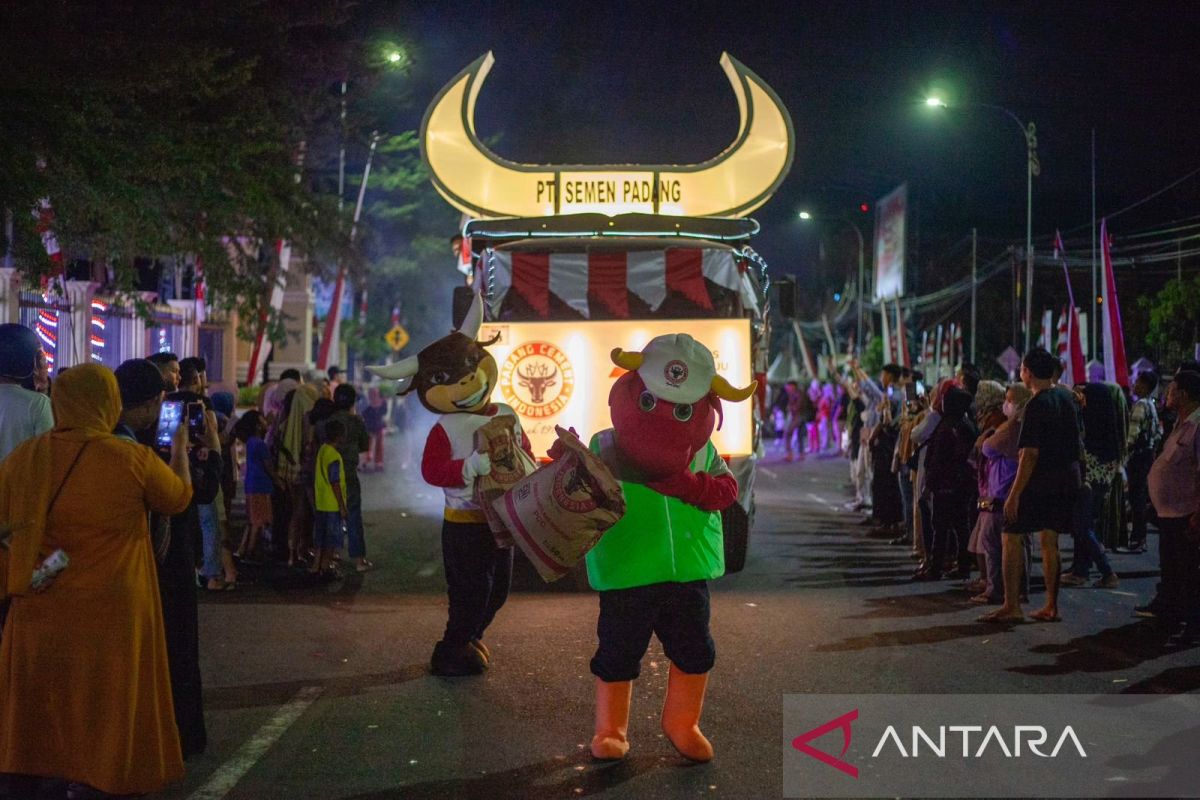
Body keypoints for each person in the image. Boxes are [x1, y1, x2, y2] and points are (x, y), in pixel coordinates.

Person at [0, 364, 193, 798]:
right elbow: (179, 498)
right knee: (104, 711)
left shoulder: (24, 458)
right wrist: (179, 449)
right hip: (109, 615)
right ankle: (97, 778)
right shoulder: (130, 459)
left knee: (47, 711)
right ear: (109, 403)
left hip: (40, 607)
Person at [983, 348, 1083, 623]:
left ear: (1027, 372)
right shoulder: (1065, 397)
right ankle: (1051, 605)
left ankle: (1011, 604)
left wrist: (1014, 495)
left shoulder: (1036, 405)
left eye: (1022, 369)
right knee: (1050, 541)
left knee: (1011, 534)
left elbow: (1029, 454)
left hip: (1041, 482)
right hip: (1067, 479)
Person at [1139, 370, 1200, 645]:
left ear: (1184, 394)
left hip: (1186, 512)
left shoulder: (1197, 426)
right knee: (1173, 568)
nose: (1167, 394)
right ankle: (1173, 616)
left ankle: (1193, 625)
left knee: (1188, 571)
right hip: (1169, 512)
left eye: (1172, 389)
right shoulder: (1181, 423)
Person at [971, 383, 1032, 604]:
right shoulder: (1023, 426)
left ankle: (995, 590)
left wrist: (989, 436)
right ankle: (1019, 591)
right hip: (1011, 493)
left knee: (993, 544)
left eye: (1009, 400)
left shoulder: (1013, 427)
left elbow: (987, 447)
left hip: (1001, 494)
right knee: (1018, 545)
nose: (1005, 405)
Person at [1060, 383, 1122, 588]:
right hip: (1095, 486)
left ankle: (1108, 571)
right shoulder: (1108, 434)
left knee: (1082, 527)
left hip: (1088, 486)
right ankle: (1080, 570)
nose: (1081, 400)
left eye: (1084, 397)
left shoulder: (1094, 434)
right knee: (1083, 527)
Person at [915, 387, 977, 581]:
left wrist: (929, 486)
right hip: (962, 483)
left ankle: (935, 568)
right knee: (961, 526)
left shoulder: (947, 426)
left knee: (940, 527)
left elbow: (938, 461)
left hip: (946, 484)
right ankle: (963, 565)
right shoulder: (966, 423)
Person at [331, 384, 373, 571]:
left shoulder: (328, 421)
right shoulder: (357, 421)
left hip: (328, 474)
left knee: (330, 515)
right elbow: (365, 445)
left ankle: (331, 555)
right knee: (353, 515)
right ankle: (359, 560)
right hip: (348, 473)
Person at [0, 324, 54, 464]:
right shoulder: (38, 404)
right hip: (21, 485)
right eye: (42, 361)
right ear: (29, 364)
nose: (46, 369)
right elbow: (47, 459)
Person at [235, 411, 280, 561]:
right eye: (263, 420)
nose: (266, 422)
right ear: (257, 426)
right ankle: (250, 553)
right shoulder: (260, 444)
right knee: (258, 521)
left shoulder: (251, 442)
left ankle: (245, 550)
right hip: (261, 486)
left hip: (252, 485)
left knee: (253, 519)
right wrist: (277, 480)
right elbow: (268, 466)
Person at [1125, 370, 1162, 552]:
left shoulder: (1140, 404)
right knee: (1140, 496)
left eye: (1138, 382)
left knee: (1136, 497)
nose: (1134, 385)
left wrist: (1124, 452)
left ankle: (1138, 539)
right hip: (1148, 455)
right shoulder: (1151, 404)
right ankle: (1140, 538)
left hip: (1138, 456)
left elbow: (1132, 435)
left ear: (1146, 386)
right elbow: (1157, 433)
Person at [312, 419, 349, 577]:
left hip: (321, 502)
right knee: (331, 539)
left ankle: (316, 566)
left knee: (320, 537)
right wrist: (342, 506)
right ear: (339, 436)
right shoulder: (334, 456)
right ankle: (326, 567)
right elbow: (335, 482)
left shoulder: (322, 450)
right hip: (332, 504)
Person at [362, 386, 388, 471]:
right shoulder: (366, 403)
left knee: (379, 445)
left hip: (378, 425)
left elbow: (384, 411)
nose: (374, 394)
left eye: (375, 393)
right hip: (369, 426)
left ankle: (378, 462)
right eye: (373, 393)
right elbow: (364, 414)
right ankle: (367, 460)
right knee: (367, 445)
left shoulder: (382, 402)